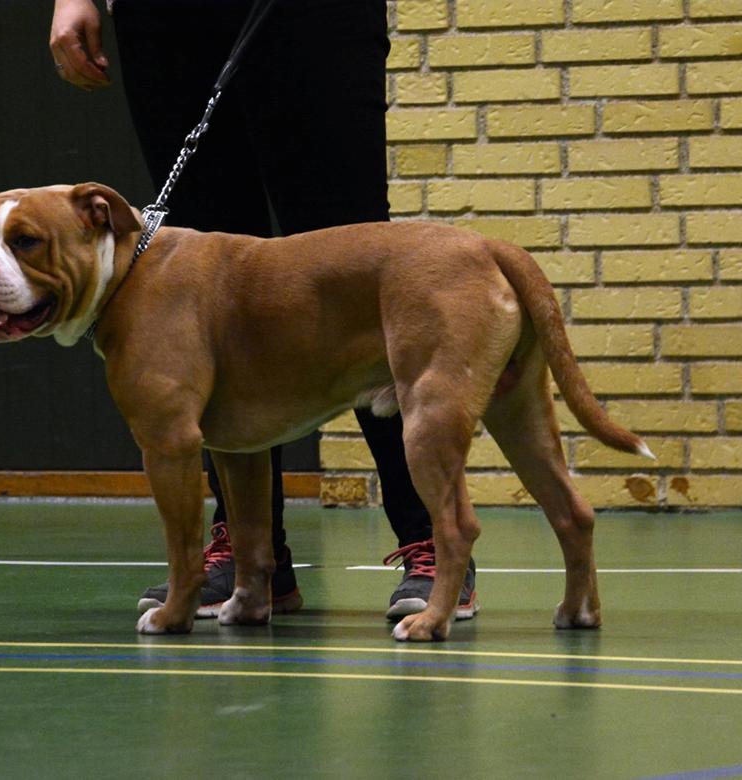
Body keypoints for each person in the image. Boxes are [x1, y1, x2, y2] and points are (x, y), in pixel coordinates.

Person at [48, 0, 477, 621]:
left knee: (352, 265)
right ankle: (252, 559)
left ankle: (430, 540)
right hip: (165, 20)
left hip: (307, 16)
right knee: (212, 293)